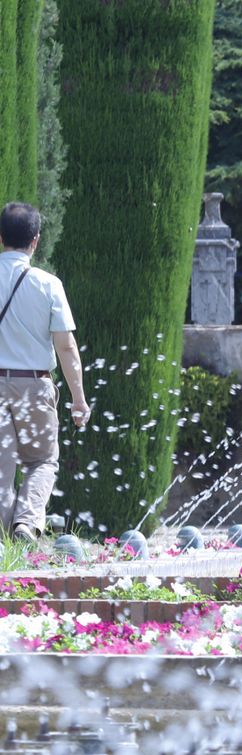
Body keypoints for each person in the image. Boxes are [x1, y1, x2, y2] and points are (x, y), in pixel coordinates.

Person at [0, 202, 90, 542]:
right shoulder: (48, 284)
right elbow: (66, 347)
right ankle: (25, 525)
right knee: (42, 461)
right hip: (34, 386)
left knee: (1, 471)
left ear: (0, 237)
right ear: (35, 240)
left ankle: (6, 548)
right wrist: (78, 400)